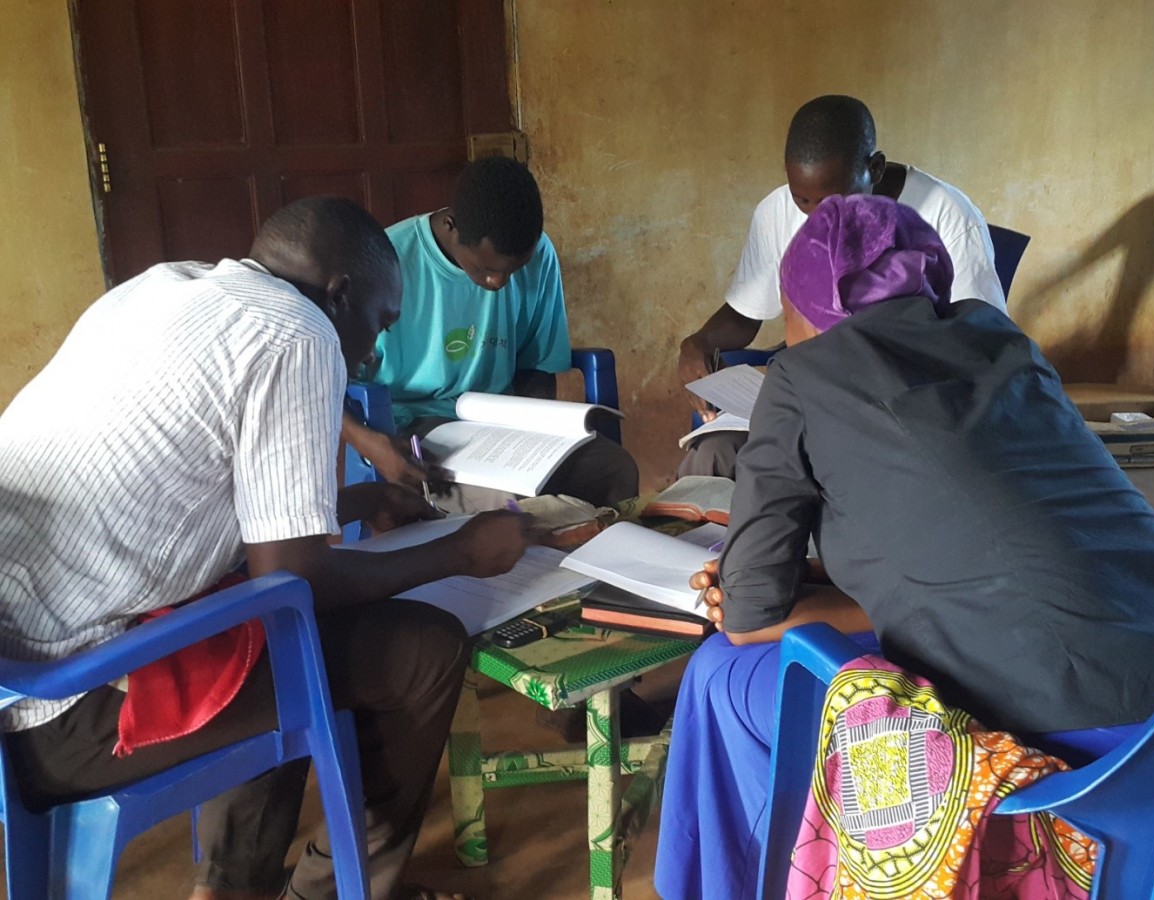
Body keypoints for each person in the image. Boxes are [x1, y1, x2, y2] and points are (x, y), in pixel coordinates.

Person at [655, 194, 1154, 899]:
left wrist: (762, 597)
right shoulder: (1000, 340)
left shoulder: (801, 375)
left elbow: (749, 618)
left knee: (721, 674)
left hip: (1081, 719)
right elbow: (981, 552)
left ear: (805, 309)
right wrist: (814, 585)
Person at [0, 197, 533, 900]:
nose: (371, 354)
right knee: (420, 651)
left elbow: (200, 505)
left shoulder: (164, 286)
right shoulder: (299, 333)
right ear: (340, 294)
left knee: (280, 634)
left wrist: (361, 504)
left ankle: (234, 885)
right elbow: (293, 580)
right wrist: (461, 552)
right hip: (65, 710)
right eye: (379, 323)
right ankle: (327, 891)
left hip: (21, 672)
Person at [677, 94, 1006, 479]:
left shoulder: (947, 216)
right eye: (802, 200)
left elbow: (977, 345)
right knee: (715, 454)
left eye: (834, 201)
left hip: (903, 401)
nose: (819, 218)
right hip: (812, 391)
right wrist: (698, 342)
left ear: (874, 169)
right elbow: (745, 312)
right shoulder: (777, 210)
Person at [342, 156, 640, 513]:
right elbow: (322, 381)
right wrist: (371, 442)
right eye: (485, 268)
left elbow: (536, 368)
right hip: (412, 426)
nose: (498, 282)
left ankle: (609, 548)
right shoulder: (385, 261)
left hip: (501, 424)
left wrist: (536, 435)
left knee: (615, 469)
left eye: (513, 270)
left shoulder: (540, 255)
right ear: (451, 226)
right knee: (514, 503)